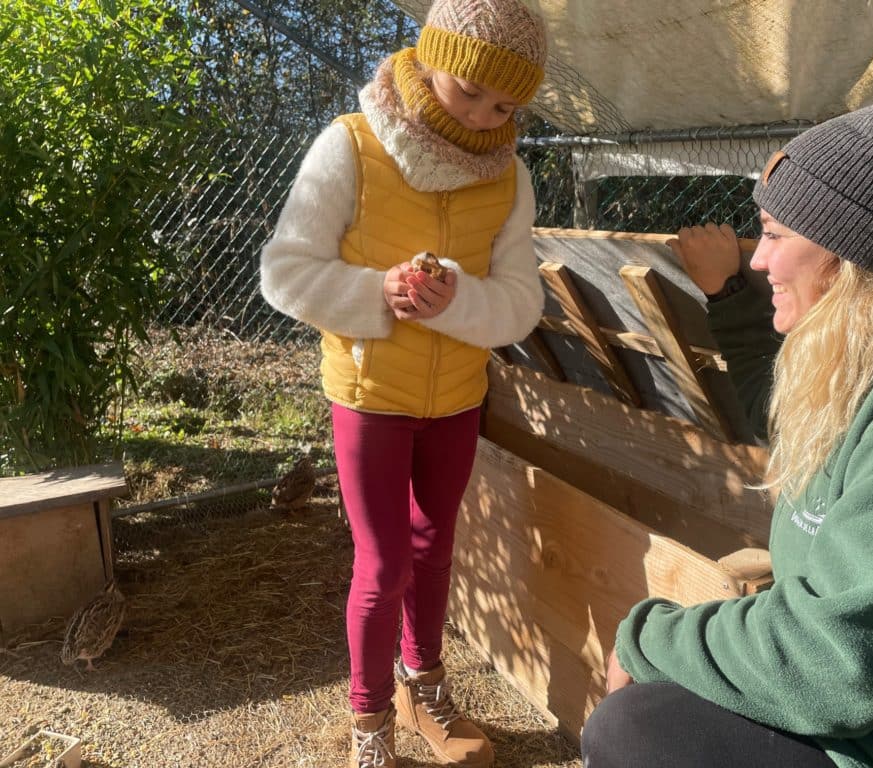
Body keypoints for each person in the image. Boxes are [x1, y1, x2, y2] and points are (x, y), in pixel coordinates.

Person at [581, 82, 873, 767]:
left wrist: (649, 640)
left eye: (775, 235)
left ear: (848, 254)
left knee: (637, 729)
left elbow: (855, 662)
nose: (758, 259)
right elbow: (777, 414)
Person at [259, 1, 547, 765]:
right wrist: (373, 294)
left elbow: (521, 303)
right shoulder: (351, 145)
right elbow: (284, 273)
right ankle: (370, 720)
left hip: (456, 397)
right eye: (470, 91)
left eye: (507, 105)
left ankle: (426, 687)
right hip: (370, 395)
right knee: (383, 565)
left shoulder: (511, 176)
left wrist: (462, 301)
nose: (487, 117)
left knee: (435, 545)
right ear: (426, 63)